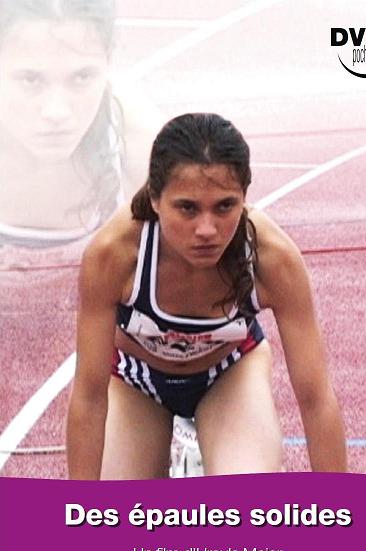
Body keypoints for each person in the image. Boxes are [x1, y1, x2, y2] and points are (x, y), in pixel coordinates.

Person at [66, 112, 347, 479]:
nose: (207, 230)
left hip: (228, 374)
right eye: (187, 208)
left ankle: (216, 453)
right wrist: (82, 510)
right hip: (136, 382)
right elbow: (89, 397)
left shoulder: (272, 258)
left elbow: (316, 399)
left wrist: (340, 506)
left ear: (244, 198)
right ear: (155, 199)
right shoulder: (115, 254)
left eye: (225, 206)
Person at [0, 0, 162, 247]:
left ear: (108, 63)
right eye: (30, 80)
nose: (56, 111)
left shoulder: (142, 150)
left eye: (82, 77)